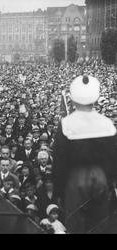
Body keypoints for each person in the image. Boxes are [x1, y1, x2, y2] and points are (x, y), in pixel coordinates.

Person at [52, 75, 117, 233]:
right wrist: (109, 181)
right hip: (100, 178)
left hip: (76, 180)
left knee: (76, 225)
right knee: (99, 224)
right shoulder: (107, 123)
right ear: (95, 99)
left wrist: (59, 191)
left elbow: (59, 162)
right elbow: (113, 158)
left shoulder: (66, 124)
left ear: (73, 100)